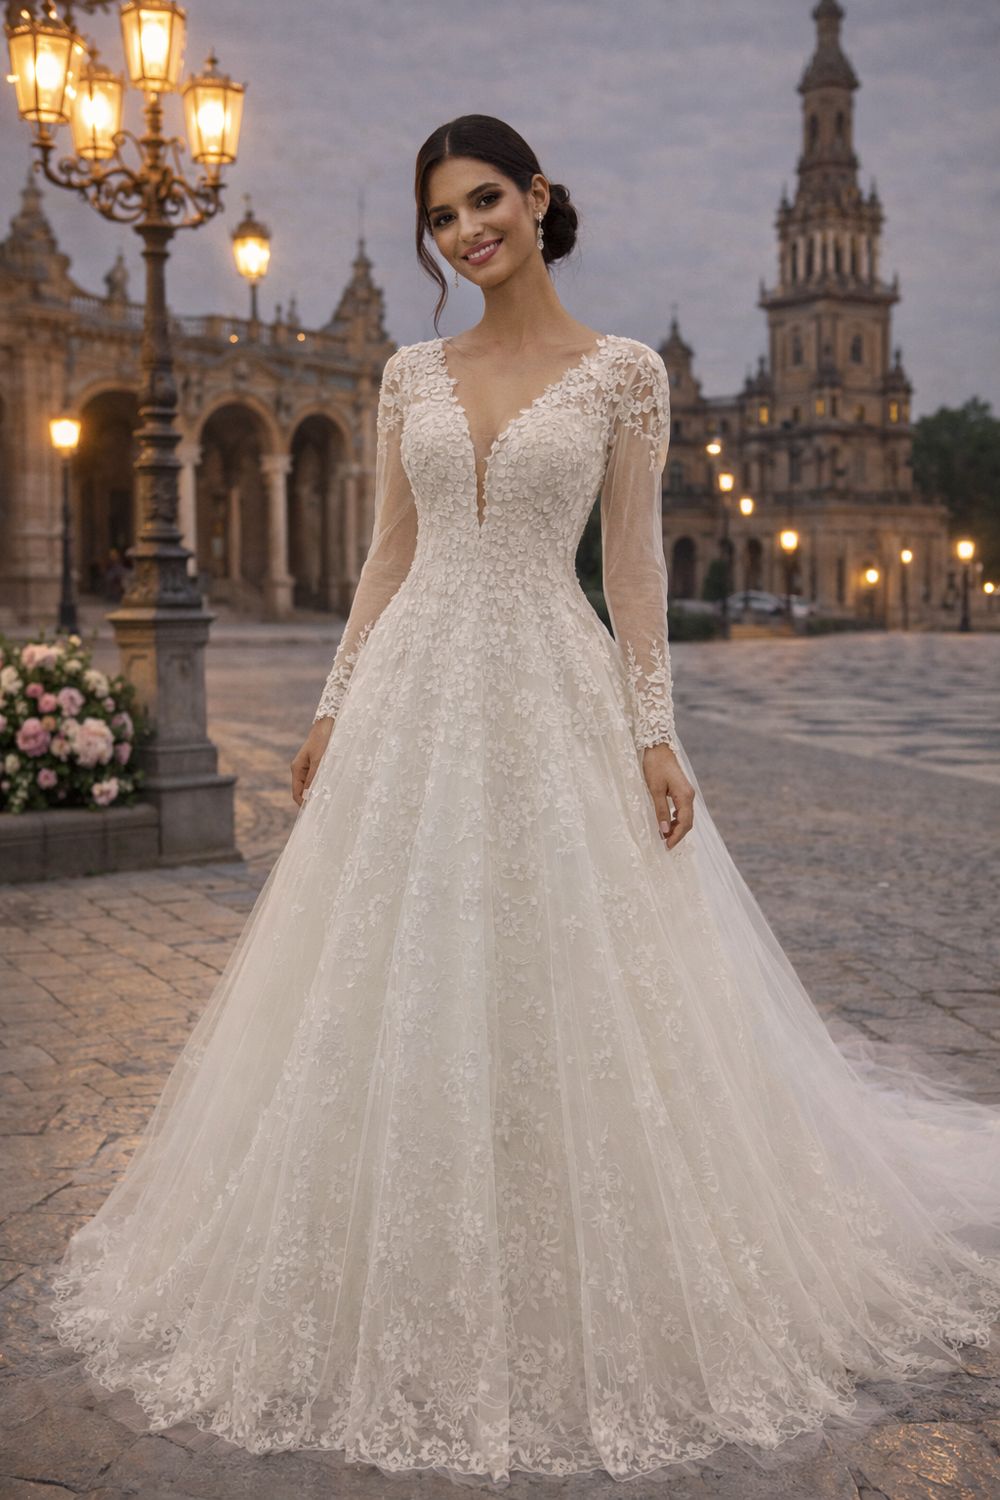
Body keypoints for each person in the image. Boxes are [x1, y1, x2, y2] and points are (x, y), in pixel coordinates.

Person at [47, 114, 1000, 1486]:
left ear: (538, 196)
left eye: (484, 200)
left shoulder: (620, 376)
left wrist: (655, 735)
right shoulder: (407, 370)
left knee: (569, 961)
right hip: (416, 693)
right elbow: (386, 554)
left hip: (554, 681)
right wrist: (328, 706)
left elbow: (633, 565)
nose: (466, 232)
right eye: (443, 217)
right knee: (390, 966)